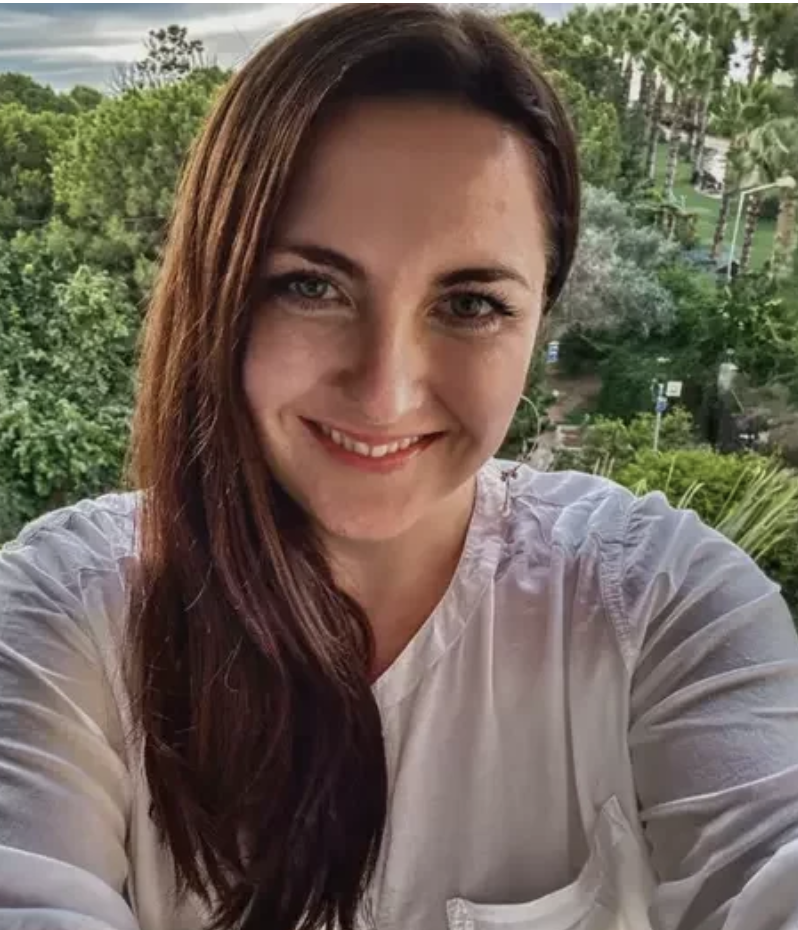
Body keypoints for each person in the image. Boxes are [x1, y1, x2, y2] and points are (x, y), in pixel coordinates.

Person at [1, 5, 797, 930]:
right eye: (311, 286)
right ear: (216, 294)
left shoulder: (660, 606)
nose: (384, 392)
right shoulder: (66, 621)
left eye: (470, 303)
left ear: (541, 318)